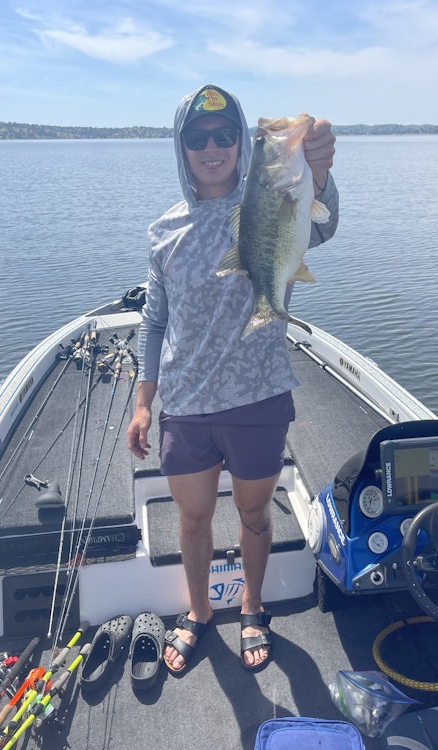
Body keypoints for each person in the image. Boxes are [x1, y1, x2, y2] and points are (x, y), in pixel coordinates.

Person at [127, 84, 339, 673]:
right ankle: (199, 611)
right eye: (198, 138)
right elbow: (154, 320)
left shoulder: (267, 195)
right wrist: (144, 403)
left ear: (242, 144)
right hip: (186, 404)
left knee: (254, 515)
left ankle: (251, 606)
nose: (212, 148)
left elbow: (319, 226)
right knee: (193, 518)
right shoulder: (162, 231)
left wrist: (319, 172)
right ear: (181, 148)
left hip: (259, 396)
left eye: (225, 135)